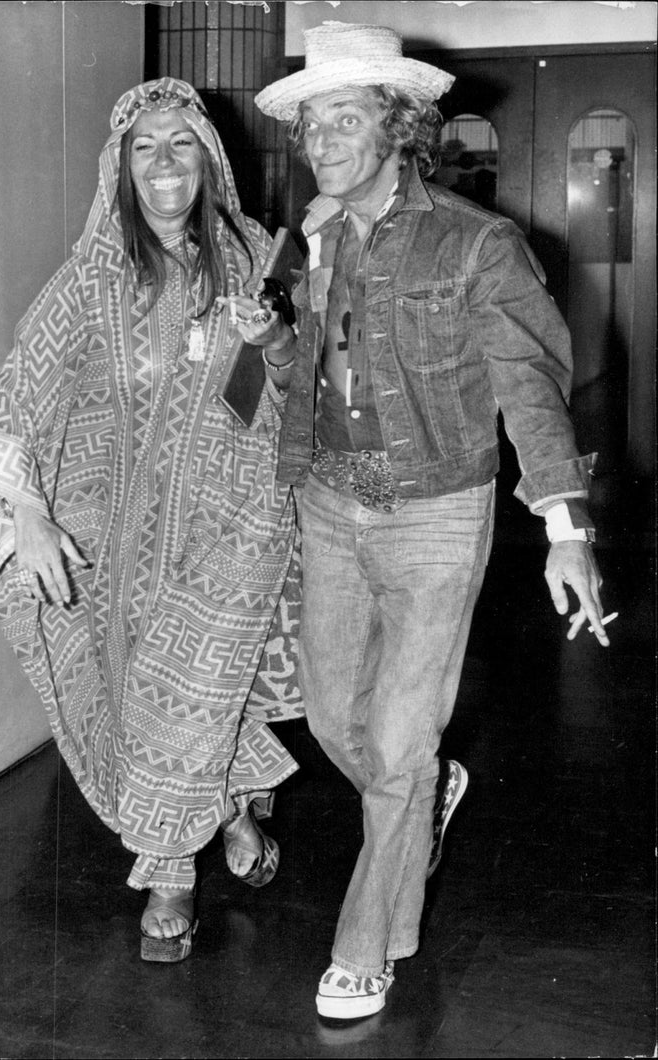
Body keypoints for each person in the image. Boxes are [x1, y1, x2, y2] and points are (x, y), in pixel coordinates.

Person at [248, 22, 609, 1019]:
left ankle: (367, 946)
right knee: (333, 719)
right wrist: (271, 340)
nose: (319, 140)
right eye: (310, 121)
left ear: (397, 127)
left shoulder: (476, 242)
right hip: (329, 503)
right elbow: (302, 383)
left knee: (397, 742)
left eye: (343, 118)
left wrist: (564, 525)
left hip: (437, 511)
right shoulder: (311, 235)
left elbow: (529, 384)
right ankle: (424, 790)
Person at [0, 77, 305, 964]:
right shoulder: (90, 277)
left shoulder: (259, 255)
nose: (165, 163)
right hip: (122, 529)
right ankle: (233, 809)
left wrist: (276, 343)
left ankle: (169, 864)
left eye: (182, 144)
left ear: (209, 159)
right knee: (141, 693)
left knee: (195, 685)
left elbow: (294, 394)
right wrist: (25, 510)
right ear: (120, 167)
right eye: (145, 146)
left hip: (237, 517)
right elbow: (18, 393)